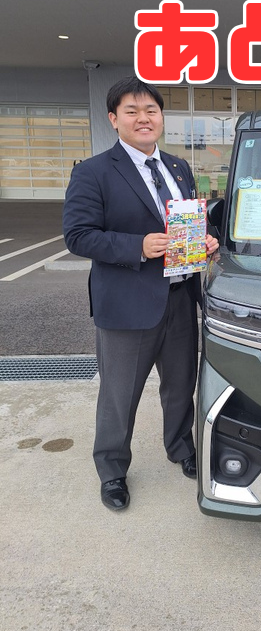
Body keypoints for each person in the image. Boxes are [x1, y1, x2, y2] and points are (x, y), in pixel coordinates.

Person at [63, 76, 218, 511]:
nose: (143, 118)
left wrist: (206, 239)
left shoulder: (178, 168)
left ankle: (181, 447)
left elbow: (188, 222)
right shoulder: (93, 172)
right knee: (119, 394)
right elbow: (78, 235)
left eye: (151, 110)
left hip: (180, 297)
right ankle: (112, 470)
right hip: (127, 304)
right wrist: (138, 246)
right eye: (131, 111)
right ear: (114, 119)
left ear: (161, 117)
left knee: (181, 383)